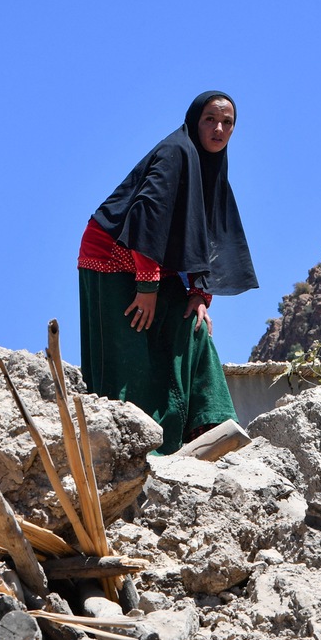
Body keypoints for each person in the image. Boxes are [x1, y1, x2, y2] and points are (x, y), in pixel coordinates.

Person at [77, 91, 258, 454]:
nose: (219, 128)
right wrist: (147, 288)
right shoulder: (176, 152)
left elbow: (200, 235)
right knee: (131, 350)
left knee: (191, 326)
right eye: (210, 119)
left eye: (227, 122)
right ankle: (130, 448)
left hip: (156, 267)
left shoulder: (209, 168)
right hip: (113, 257)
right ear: (194, 121)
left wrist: (198, 293)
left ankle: (210, 424)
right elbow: (147, 213)